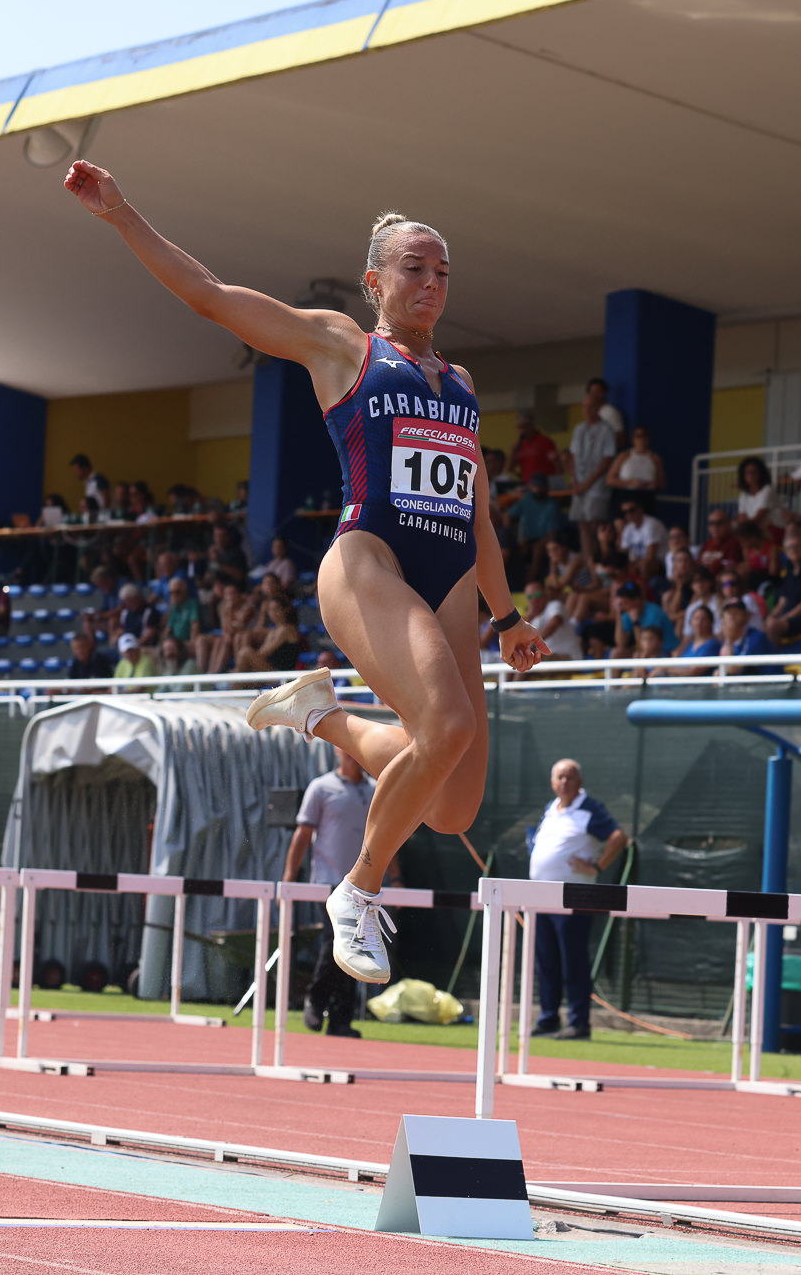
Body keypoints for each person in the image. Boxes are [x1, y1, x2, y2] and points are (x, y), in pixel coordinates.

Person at [68, 164, 547, 984]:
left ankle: (321, 714)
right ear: (375, 281)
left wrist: (509, 618)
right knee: (448, 724)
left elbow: (477, 517)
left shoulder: (462, 386)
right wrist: (120, 213)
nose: (432, 282)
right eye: (414, 267)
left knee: (451, 801)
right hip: (370, 561)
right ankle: (357, 890)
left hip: (450, 576)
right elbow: (211, 296)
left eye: (443, 271)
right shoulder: (342, 345)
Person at [527, 759, 626, 1040]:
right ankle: (548, 1019)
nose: (564, 782)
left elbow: (618, 837)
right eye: (559, 777)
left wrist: (597, 866)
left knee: (573, 961)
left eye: (569, 777)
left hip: (574, 898)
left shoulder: (590, 809)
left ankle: (579, 1023)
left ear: (579, 781)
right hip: (540, 898)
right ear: (552, 782)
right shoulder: (550, 809)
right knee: (546, 962)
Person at [285, 749, 380, 1038]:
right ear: (338, 751)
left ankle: (340, 1019)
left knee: (354, 950)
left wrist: (397, 877)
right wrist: (289, 879)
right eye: (346, 749)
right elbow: (302, 835)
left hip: (362, 888)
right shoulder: (320, 787)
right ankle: (316, 998)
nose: (352, 754)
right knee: (335, 942)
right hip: (328, 884)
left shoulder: (376, 789)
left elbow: (384, 836)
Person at [566, 394, 617, 558]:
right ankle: (588, 562)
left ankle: (597, 562)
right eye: (584, 406)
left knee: (595, 525)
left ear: (598, 408)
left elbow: (607, 459)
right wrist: (575, 481)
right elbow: (573, 456)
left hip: (596, 486)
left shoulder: (606, 429)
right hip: (579, 484)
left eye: (591, 406)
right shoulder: (579, 428)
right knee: (582, 525)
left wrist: (586, 484)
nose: (587, 410)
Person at [608, 427, 665, 516]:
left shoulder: (655, 459)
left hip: (645, 498)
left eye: (644, 436)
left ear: (648, 439)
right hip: (625, 496)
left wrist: (654, 484)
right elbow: (610, 479)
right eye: (638, 436)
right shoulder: (624, 456)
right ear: (633, 439)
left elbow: (662, 483)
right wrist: (630, 483)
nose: (641, 440)